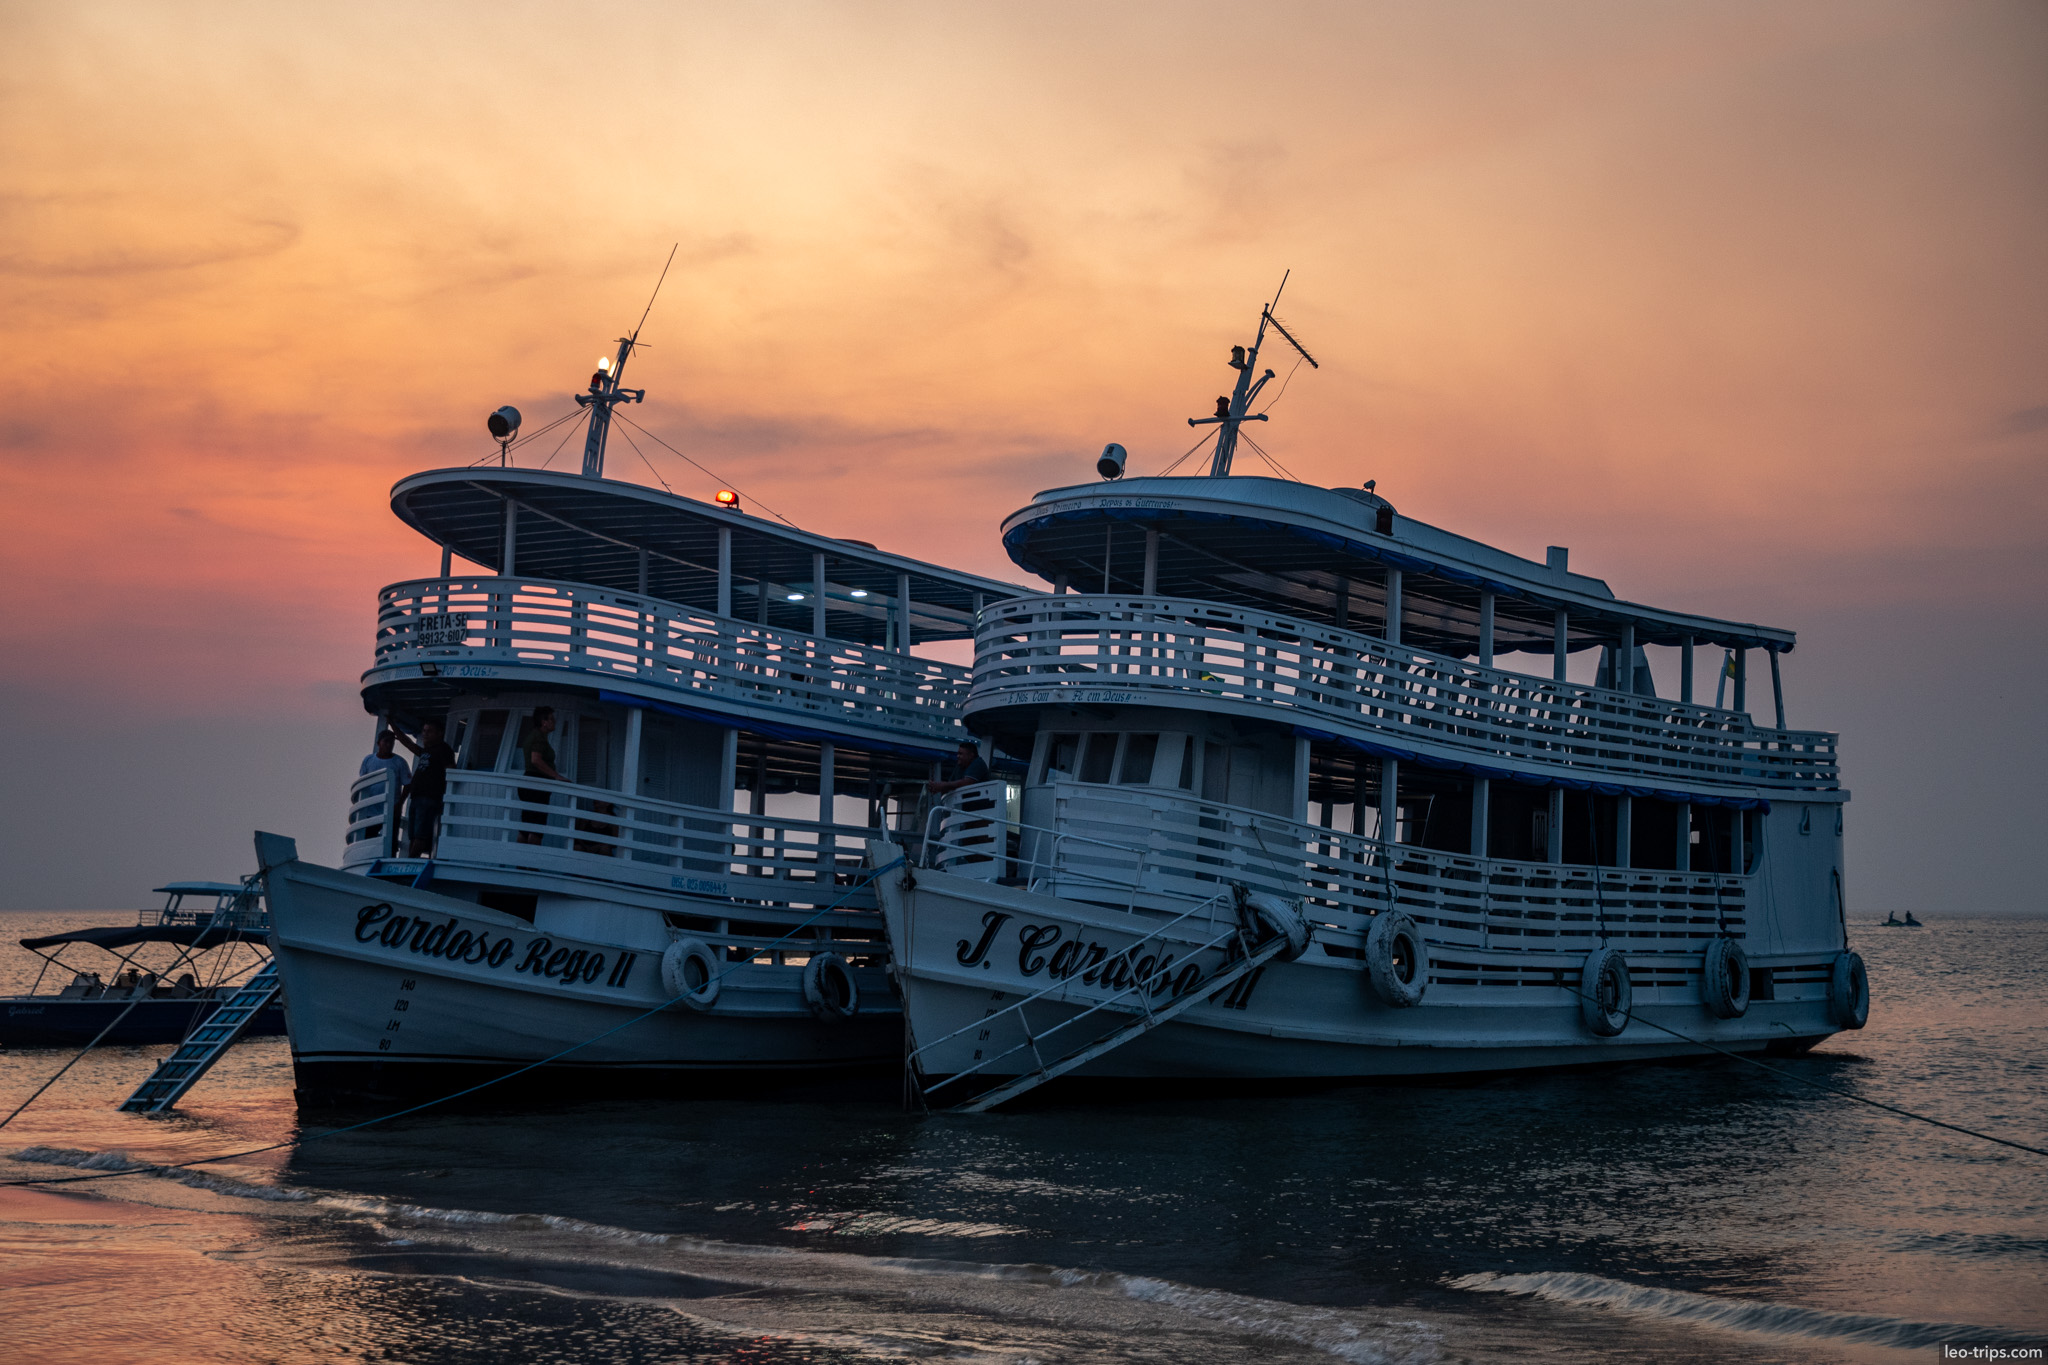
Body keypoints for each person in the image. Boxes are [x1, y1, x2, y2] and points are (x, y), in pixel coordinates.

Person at [394, 718, 456, 858]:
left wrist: (444, 795)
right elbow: (409, 744)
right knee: (413, 835)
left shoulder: (444, 750)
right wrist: (393, 724)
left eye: (429, 732)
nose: (425, 734)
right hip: (417, 797)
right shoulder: (428, 751)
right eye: (424, 731)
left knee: (420, 835)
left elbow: (451, 772)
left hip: (429, 797)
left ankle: (410, 861)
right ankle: (409, 861)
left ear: (439, 733)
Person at [516, 706, 562, 844]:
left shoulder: (534, 735)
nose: (555, 722)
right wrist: (556, 776)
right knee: (536, 828)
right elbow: (536, 760)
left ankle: (521, 864)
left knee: (526, 826)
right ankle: (531, 864)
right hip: (537, 784)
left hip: (529, 783)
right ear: (544, 722)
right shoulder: (539, 738)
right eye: (552, 719)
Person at [359, 731, 412, 838]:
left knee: (391, 840)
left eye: (392, 742)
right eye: (386, 741)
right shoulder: (368, 760)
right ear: (379, 743)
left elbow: (408, 784)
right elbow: (362, 782)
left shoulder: (399, 762)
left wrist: (400, 803)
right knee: (368, 839)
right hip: (371, 809)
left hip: (391, 808)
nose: (389, 745)